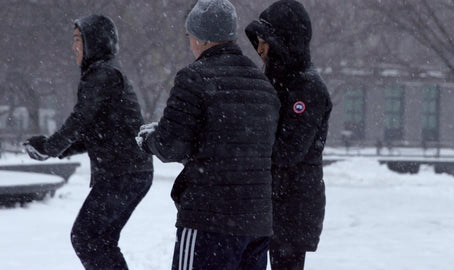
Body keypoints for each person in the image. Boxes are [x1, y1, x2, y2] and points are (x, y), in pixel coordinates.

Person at [136, 0, 280, 269]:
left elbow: (171, 146)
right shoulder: (263, 85)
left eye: (189, 36)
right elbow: (242, 144)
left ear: (200, 38)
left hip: (209, 220)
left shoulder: (194, 78)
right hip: (257, 222)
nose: (189, 42)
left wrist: (148, 141)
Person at [23, 14, 153, 270]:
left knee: (85, 237)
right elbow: (93, 134)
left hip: (124, 174)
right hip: (130, 173)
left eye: (77, 40)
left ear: (94, 42)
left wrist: (50, 148)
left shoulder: (102, 75)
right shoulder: (105, 73)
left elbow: (78, 121)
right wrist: (53, 149)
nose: (73, 47)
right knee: (99, 240)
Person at [245, 0, 333, 269]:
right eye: (258, 41)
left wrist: (244, 144)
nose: (259, 49)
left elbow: (288, 150)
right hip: (271, 205)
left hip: (291, 210)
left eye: (265, 41)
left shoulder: (306, 89)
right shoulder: (276, 81)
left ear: (283, 42)